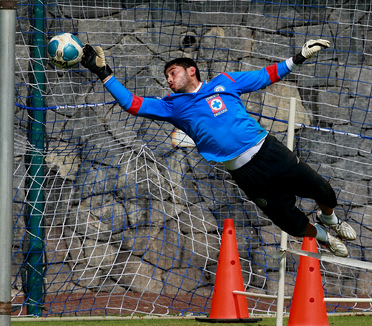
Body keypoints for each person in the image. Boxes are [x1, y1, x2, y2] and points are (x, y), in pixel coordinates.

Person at [80, 39, 356, 257]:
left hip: (269, 152)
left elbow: (264, 76)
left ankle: (329, 219)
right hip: (245, 173)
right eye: (166, 76)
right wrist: (103, 73)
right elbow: (131, 103)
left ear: (191, 70)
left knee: (324, 192)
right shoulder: (171, 106)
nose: (168, 80)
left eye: (172, 73)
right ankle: (324, 237)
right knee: (292, 225)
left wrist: (298, 58)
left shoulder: (225, 82)